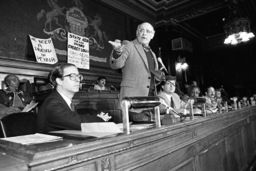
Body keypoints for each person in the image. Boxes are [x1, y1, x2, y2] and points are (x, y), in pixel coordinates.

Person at [37, 64, 111, 133]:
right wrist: (101, 118)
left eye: (78, 76)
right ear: (59, 81)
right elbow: (79, 123)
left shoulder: (63, 100)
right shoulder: (52, 103)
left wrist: (98, 114)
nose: (78, 80)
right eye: (72, 76)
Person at [109, 22, 160, 108]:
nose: (144, 33)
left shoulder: (153, 54)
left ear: (152, 35)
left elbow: (151, 76)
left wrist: (159, 77)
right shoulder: (128, 45)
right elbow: (116, 65)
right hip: (132, 97)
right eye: (142, 30)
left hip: (150, 98)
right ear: (137, 32)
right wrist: (117, 52)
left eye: (148, 31)